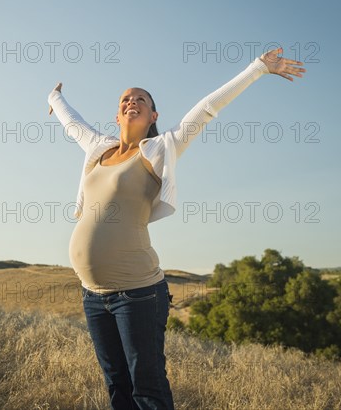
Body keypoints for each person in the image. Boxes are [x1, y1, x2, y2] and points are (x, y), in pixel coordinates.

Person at [47, 47, 305, 409]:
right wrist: (54, 97)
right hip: (93, 295)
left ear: (153, 114)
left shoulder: (160, 148)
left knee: (147, 389)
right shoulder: (98, 149)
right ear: (117, 112)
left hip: (138, 294)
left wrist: (257, 68)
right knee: (117, 386)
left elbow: (206, 108)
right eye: (125, 98)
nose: (131, 101)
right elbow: (72, 123)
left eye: (141, 99)